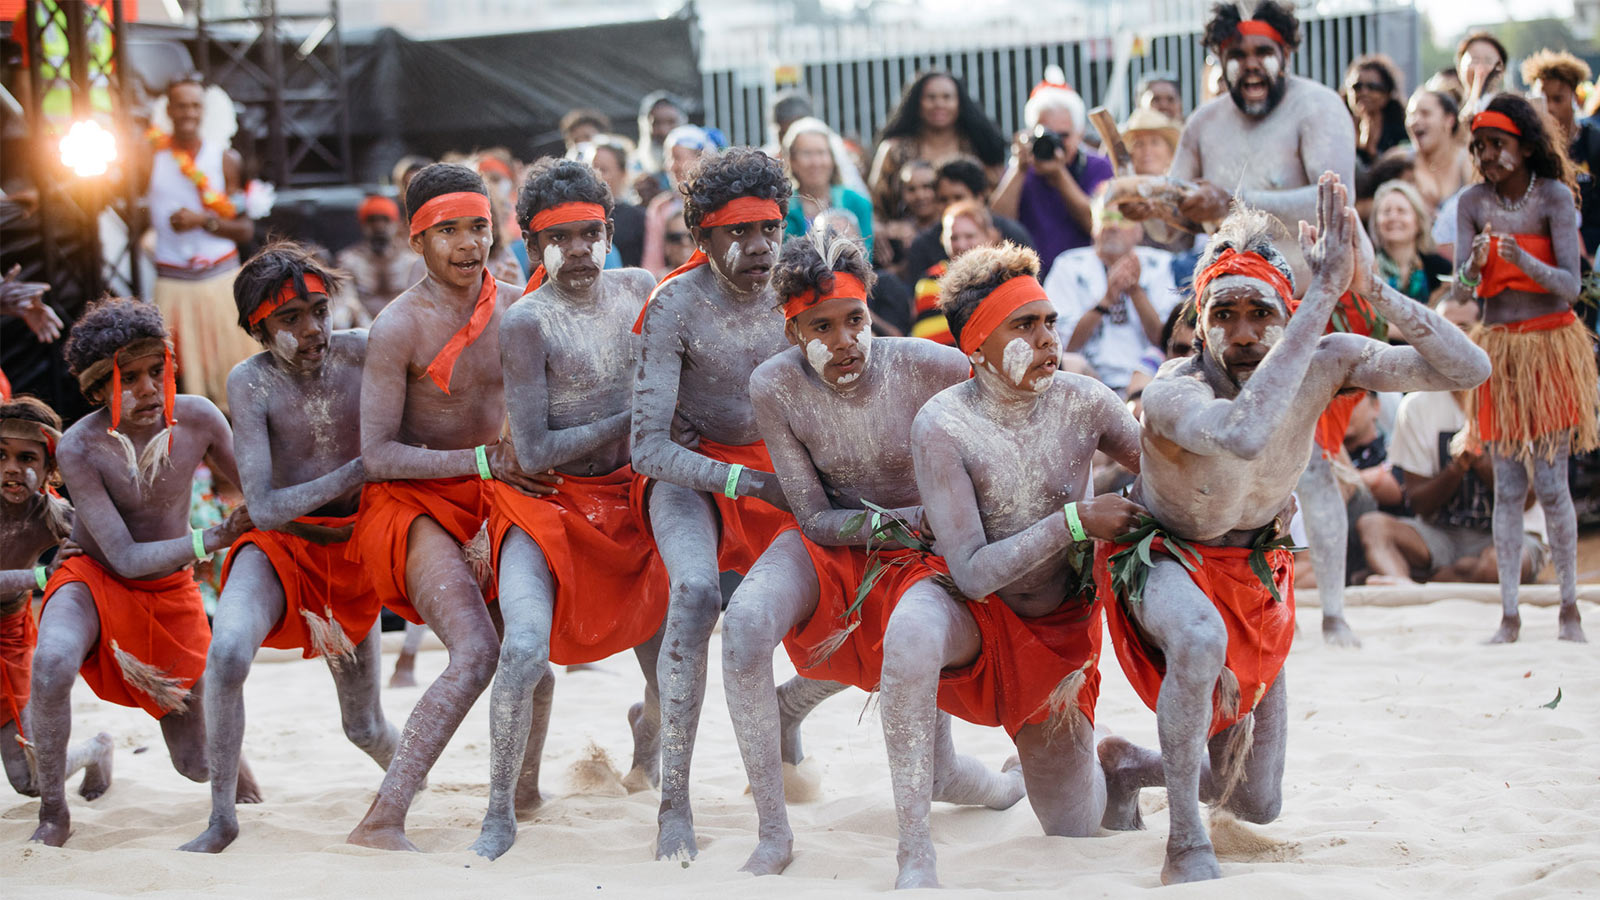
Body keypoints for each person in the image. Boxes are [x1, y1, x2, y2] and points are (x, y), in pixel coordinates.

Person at [1094, 177, 1488, 884]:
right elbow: (1244, 435)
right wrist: (1323, 300)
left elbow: (1470, 367)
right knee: (1200, 636)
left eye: (1261, 314)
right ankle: (1184, 842)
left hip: (1253, 569)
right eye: (1226, 314)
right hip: (1163, 559)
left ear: (1287, 315)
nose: (1243, 333)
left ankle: (1129, 766)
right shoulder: (1174, 390)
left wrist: (1372, 289)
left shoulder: (1325, 358)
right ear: (1199, 319)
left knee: (1258, 801)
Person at [722, 228, 1023, 878]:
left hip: (927, 555)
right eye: (820, 327)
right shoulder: (773, 386)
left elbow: (1025, 409)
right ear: (792, 332)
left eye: (853, 320)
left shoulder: (929, 364)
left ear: (869, 312)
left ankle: (1001, 790)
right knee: (744, 623)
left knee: (941, 770)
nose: (843, 340)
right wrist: (908, 521)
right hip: (835, 539)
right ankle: (773, 833)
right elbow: (814, 518)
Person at [898, 243, 1146, 888]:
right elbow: (974, 572)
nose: (1045, 340)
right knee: (910, 633)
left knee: (1071, 825)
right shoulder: (942, 424)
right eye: (1024, 326)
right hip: (975, 611)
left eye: (1049, 323)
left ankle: (1114, 762)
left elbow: (1165, 471)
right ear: (978, 345)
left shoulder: (1085, 399)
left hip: (1060, 628)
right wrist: (1073, 522)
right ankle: (913, 854)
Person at [1127, 0, 1366, 646]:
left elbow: (1333, 194)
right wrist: (1144, 198)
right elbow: (1170, 218)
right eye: (1238, 55)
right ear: (1220, 61)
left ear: (1285, 53)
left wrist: (1230, 199)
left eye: (1263, 53)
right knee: (1234, 458)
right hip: (1226, 320)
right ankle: (1226, 602)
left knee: (1310, 459)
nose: (1252, 67)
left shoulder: (1317, 107)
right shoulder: (1204, 122)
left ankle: (1336, 614)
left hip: (1306, 309)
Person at [343, 163, 552, 851]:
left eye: (479, 228)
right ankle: (382, 817)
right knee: (475, 651)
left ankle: (525, 792)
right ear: (417, 240)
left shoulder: (520, 306)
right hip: (413, 499)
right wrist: (483, 462)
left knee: (533, 660)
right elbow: (376, 455)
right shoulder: (398, 326)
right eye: (448, 230)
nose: (467, 244)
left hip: (493, 494)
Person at [470, 160, 668, 860]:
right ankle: (500, 806)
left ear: (610, 233)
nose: (580, 250)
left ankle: (652, 745)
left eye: (592, 234)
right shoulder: (526, 321)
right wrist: (630, 416)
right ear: (532, 248)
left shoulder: (640, 288)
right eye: (562, 238)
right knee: (521, 649)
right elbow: (535, 447)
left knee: (671, 660)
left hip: (633, 499)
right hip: (546, 504)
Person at [179, 244, 397, 854]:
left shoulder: (363, 349)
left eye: (318, 311)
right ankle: (222, 817)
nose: (312, 330)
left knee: (364, 727)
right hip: (276, 547)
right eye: (290, 319)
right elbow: (267, 505)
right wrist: (362, 467)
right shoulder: (249, 382)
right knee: (226, 654)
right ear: (258, 328)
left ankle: (413, 785)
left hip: (352, 549)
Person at [31, 297, 259, 846]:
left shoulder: (199, 417)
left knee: (196, 765)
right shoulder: (81, 446)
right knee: (52, 660)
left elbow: (255, 492)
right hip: (93, 575)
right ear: (94, 392)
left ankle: (242, 782)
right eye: (127, 378)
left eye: (157, 371)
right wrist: (215, 537)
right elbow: (127, 557)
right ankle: (53, 814)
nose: (149, 389)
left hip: (169, 588)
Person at [629, 148, 799, 860]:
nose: (758, 246)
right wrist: (743, 483)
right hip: (689, 476)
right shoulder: (671, 305)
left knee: (869, 586)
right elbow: (646, 449)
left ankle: (794, 711)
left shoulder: (803, 286)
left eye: (769, 227)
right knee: (696, 593)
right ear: (701, 238)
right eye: (739, 232)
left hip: (779, 469)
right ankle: (674, 804)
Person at [1455, 94, 1595, 644]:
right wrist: (1476, 262)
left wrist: (1520, 260)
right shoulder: (1471, 202)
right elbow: (1464, 287)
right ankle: (1509, 616)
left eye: (1498, 145)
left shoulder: (1555, 197)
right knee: (1508, 487)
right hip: (1502, 352)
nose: (1488, 155)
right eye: (1481, 146)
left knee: (1555, 486)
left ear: (1526, 146)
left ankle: (1569, 608)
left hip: (1550, 347)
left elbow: (1570, 284)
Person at [1357, 297, 1549, 586]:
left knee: (1500, 564)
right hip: (1439, 536)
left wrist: (1482, 461)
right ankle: (1416, 584)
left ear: (1487, 333)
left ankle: (1426, 582)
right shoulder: (1417, 405)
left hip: (1511, 533)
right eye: (1443, 327)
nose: (1452, 336)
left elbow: (1528, 500)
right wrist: (1457, 468)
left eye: (1464, 327)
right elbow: (1419, 504)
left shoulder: (1516, 400)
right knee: (1372, 526)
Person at [0, 396, 113, 799]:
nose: (11, 469)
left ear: (51, 470)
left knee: (30, 780)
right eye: (0, 455)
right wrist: (40, 576)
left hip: (8, 640)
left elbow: (113, 535)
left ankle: (96, 749)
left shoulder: (55, 515)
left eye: (27, 458)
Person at [143, 75, 260, 414]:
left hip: (219, 284)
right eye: (181, 105)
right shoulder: (151, 158)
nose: (188, 112)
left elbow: (244, 230)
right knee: (181, 394)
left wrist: (202, 221)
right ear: (169, 109)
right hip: (173, 286)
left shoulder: (225, 159)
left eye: (195, 105)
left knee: (236, 390)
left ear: (204, 111)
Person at [1044, 204, 1181, 395]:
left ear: (1139, 231)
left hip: (1149, 378)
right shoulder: (1069, 265)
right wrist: (1106, 302)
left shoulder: (1158, 264)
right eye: (1106, 217)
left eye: (1123, 219)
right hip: (1086, 378)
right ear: (1094, 226)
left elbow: (1168, 340)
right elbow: (1063, 345)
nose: (1113, 226)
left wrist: (1136, 291)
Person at [991, 77, 1113, 277]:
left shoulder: (1098, 167)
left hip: (1086, 280)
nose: (1055, 142)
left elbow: (1097, 223)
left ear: (1079, 133)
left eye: (1063, 135)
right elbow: (998, 225)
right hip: (1032, 279)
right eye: (1046, 134)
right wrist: (1018, 169)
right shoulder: (1022, 169)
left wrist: (1059, 175)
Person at [868, 72, 1007, 221]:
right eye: (931, 98)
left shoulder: (980, 146)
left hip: (969, 235)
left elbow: (996, 201)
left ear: (959, 103)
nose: (939, 104)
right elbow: (875, 206)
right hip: (910, 239)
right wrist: (889, 229)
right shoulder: (894, 150)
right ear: (917, 103)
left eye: (947, 97)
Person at [902, 158, 1033, 286]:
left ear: (980, 197)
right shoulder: (923, 246)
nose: (950, 206)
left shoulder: (1012, 235)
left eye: (958, 198)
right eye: (943, 200)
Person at [1521, 50, 1600, 260]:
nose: (1551, 108)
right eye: (1543, 99)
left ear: (1574, 97)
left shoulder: (1594, 142)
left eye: (1558, 99)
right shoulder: (1527, 148)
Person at [911, 201, 1003, 346]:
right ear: (943, 240)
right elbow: (924, 342)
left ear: (988, 237)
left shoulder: (1004, 275)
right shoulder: (930, 281)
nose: (961, 245)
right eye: (954, 238)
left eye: (969, 236)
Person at [781, 117, 875, 256]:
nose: (816, 162)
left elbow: (865, 257)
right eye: (807, 153)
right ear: (792, 160)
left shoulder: (857, 203)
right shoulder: (783, 208)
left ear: (832, 158)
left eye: (821, 152)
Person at [640, 124, 717, 277]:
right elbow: (652, 265)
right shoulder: (660, 207)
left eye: (677, 158)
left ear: (700, 159)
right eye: (668, 158)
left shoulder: (717, 204)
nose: (671, 166)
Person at [337, 194, 418, 321]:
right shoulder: (349, 261)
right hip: (363, 329)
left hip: (405, 327)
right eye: (372, 220)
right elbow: (348, 301)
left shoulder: (411, 261)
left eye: (385, 220)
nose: (378, 227)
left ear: (396, 224)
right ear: (363, 225)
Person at [1370, 180, 1450, 305]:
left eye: (1401, 211)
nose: (1393, 217)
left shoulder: (1441, 269)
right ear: (1376, 223)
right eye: (1386, 212)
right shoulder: (1366, 268)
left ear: (1418, 221)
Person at [575, 139, 647, 267]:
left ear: (623, 173)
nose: (596, 175)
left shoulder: (638, 217)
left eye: (603, 169)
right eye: (591, 168)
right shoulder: (575, 214)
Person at [1406, 89, 1473, 213]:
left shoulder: (1467, 160)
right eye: (1411, 114)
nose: (1415, 121)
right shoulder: (1401, 160)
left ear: (1449, 120)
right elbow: (1365, 205)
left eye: (1425, 114)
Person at [1344, 54, 1409, 167]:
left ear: (1388, 93)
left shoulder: (1402, 131)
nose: (1364, 92)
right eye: (1357, 86)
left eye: (1372, 87)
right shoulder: (1339, 125)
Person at [1455, 31, 1507, 110]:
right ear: (1459, 68)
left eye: (1488, 61)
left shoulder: (1510, 110)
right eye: (1475, 60)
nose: (1481, 69)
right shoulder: (1445, 108)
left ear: (1502, 71)